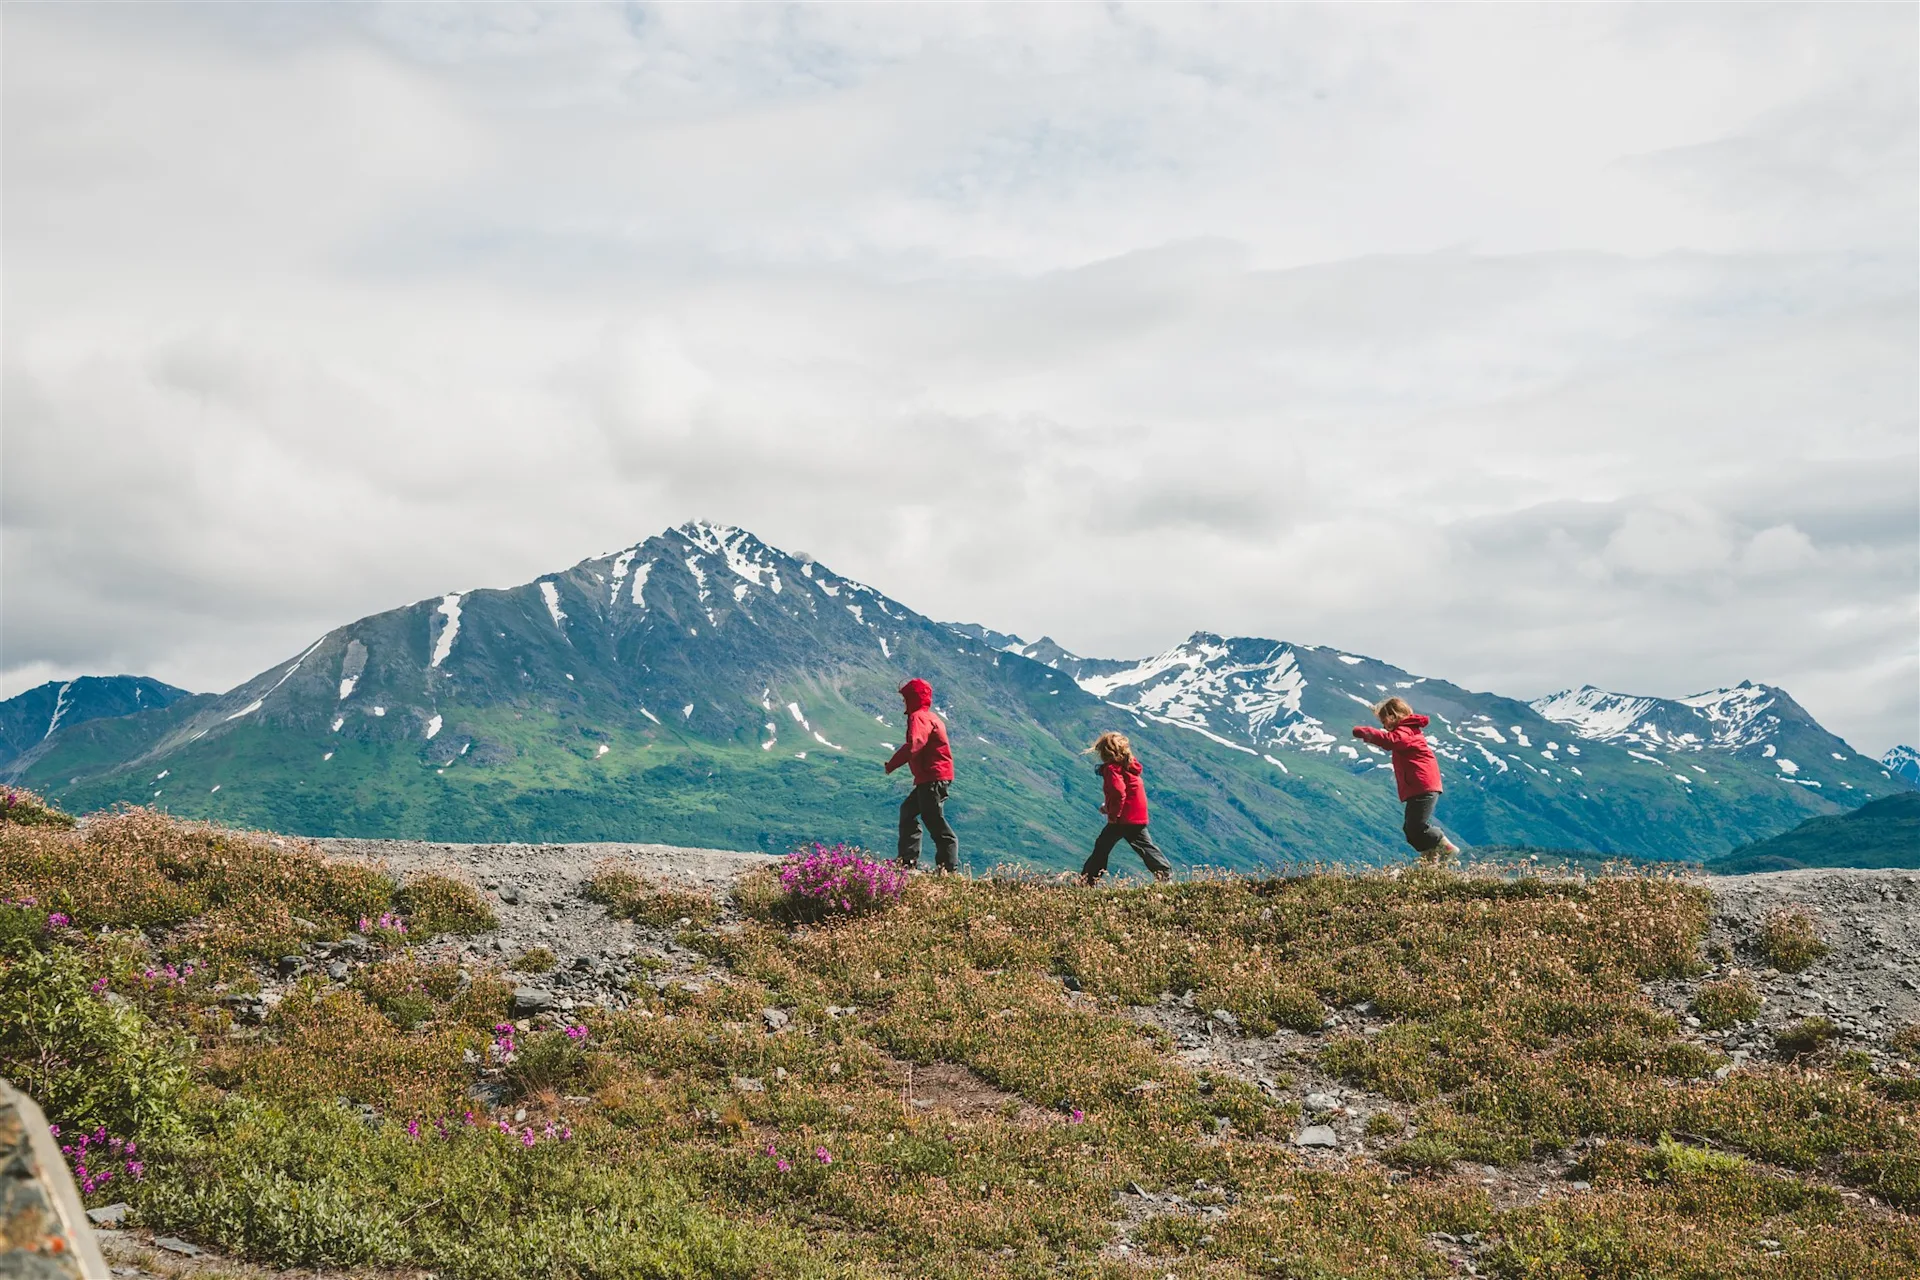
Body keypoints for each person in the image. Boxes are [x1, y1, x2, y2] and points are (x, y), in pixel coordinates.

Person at [1351, 697, 1460, 864]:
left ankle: (1444, 846)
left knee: (1416, 826)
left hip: (1423, 785)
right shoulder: (1408, 730)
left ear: (1393, 716)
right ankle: (1430, 857)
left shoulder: (1406, 731)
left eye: (1383, 721)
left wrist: (1367, 732)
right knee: (1411, 828)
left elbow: (1390, 741)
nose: (1383, 726)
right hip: (1418, 787)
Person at [1081, 732, 1173, 886]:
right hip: (1137, 814)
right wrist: (1108, 807)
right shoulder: (1129, 766)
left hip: (1122, 818)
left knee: (1102, 846)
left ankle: (1087, 880)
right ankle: (1164, 875)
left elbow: (1118, 791)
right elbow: (1127, 791)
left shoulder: (1112, 769)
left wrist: (1113, 813)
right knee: (1145, 846)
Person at [884, 678, 958, 872]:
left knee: (934, 820)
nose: (903, 702)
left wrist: (892, 764)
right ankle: (906, 862)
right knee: (908, 811)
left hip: (932, 778)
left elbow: (915, 743)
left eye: (905, 698)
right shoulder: (931, 717)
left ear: (913, 698)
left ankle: (948, 869)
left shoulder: (919, 717)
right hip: (932, 778)